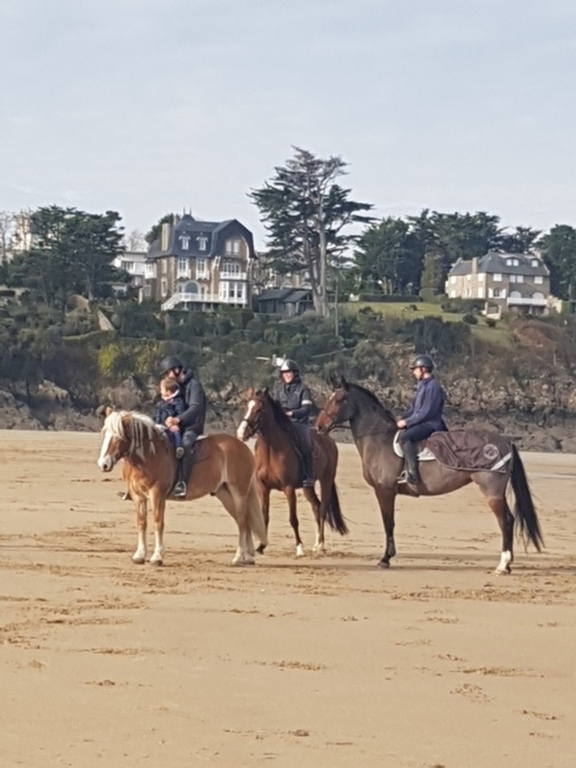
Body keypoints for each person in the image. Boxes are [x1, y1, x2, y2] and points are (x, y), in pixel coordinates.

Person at [159, 355, 207, 498]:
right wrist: (166, 421)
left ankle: (183, 483)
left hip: (192, 426)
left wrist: (177, 420)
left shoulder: (194, 385)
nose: (168, 376)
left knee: (185, 444)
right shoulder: (177, 386)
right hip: (177, 425)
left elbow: (195, 408)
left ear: (177, 369)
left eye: (168, 372)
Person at [396, 354, 447, 486]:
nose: (413, 372)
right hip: (422, 422)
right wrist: (402, 418)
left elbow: (426, 412)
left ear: (423, 369)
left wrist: (407, 422)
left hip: (431, 424)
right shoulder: (422, 386)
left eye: (415, 369)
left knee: (406, 437)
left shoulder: (433, 386)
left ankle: (412, 474)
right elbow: (414, 409)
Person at [276, 359, 315, 487]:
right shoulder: (280, 390)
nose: (286, 375)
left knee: (305, 445)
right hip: (284, 423)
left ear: (295, 373)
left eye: (289, 372)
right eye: (284, 373)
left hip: (299, 423)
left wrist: (292, 414)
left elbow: (306, 409)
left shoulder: (304, 389)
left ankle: (308, 475)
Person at [156, 377, 185, 459]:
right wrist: (157, 423)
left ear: (168, 391)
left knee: (176, 432)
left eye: (162, 389)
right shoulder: (161, 403)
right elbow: (159, 414)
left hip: (172, 425)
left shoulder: (178, 401)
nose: (160, 391)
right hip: (162, 425)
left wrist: (173, 421)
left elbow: (180, 413)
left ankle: (178, 447)